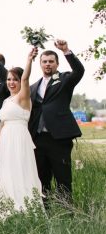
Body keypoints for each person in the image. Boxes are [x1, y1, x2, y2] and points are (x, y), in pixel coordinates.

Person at [29, 39, 84, 202]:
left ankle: (68, 213)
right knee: (42, 179)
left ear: (57, 63)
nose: (47, 64)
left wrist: (66, 50)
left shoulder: (65, 79)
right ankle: (46, 211)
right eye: (44, 61)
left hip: (59, 138)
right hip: (38, 139)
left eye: (51, 61)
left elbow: (79, 71)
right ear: (40, 64)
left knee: (63, 179)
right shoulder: (33, 87)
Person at [0, 48, 42, 211]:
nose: (11, 82)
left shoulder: (23, 97)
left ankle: (25, 207)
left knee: (20, 170)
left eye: (15, 79)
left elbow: (26, 78)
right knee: (7, 171)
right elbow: (2, 124)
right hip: (6, 140)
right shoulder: (6, 100)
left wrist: (29, 60)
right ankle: (9, 206)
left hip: (19, 138)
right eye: (8, 79)